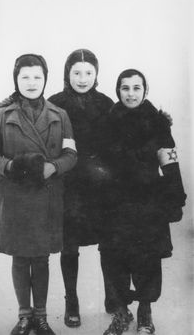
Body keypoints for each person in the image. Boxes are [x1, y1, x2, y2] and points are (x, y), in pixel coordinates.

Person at [0, 53, 77, 335]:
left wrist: (53, 167)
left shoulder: (60, 115)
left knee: (41, 258)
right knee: (21, 258)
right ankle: (24, 316)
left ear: (45, 79)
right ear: (16, 79)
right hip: (15, 198)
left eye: (37, 76)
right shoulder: (3, 114)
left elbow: (71, 154)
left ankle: (42, 316)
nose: (31, 82)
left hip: (46, 197)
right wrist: (9, 166)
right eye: (25, 76)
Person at [100, 69, 186, 335]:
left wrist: (175, 198)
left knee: (147, 259)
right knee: (113, 258)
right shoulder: (108, 121)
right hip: (115, 203)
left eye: (137, 88)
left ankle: (145, 311)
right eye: (125, 88)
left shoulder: (158, 123)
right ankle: (121, 313)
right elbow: (99, 164)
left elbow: (170, 163)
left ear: (145, 91)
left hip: (148, 203)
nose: (131, 94)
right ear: (118, 91)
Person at [48, 49, 116, 327]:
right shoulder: (54, 103)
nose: (83, 78)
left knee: (108, 242)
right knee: (69, 245)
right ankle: (71, 301)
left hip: (99, 182)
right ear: (67, 73)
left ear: (96, 74)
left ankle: (112, 296)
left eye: (89, 72)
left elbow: (116, 142)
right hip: (68, 182)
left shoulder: (106, 103)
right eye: (77, 72)